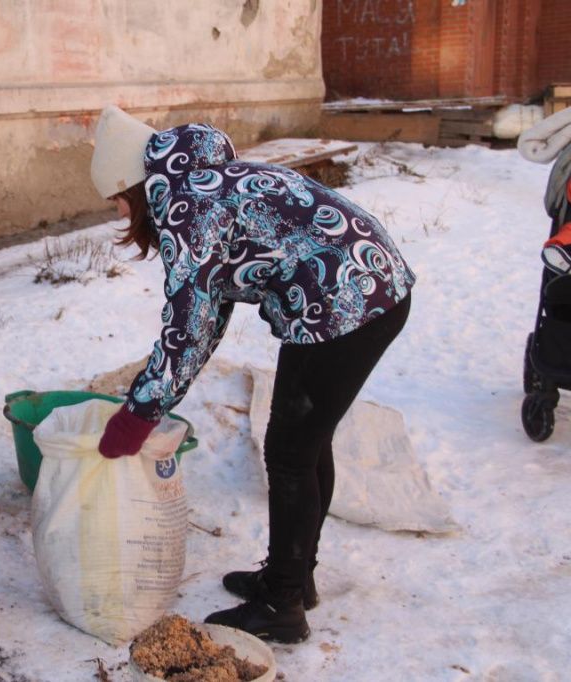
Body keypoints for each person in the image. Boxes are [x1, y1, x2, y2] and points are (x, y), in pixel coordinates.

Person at [89, 105, 415, 643]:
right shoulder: (208, 180)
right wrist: (154, 399)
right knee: (306, 442)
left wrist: (138, 414)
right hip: (367, 288)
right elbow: (208, 311)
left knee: (290, 451)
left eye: (119, 202)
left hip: (343, 303)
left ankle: (281, 606)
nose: (123, 215)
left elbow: (188, 328)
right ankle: (293, 577)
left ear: (133, 187)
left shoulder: (187, 206)